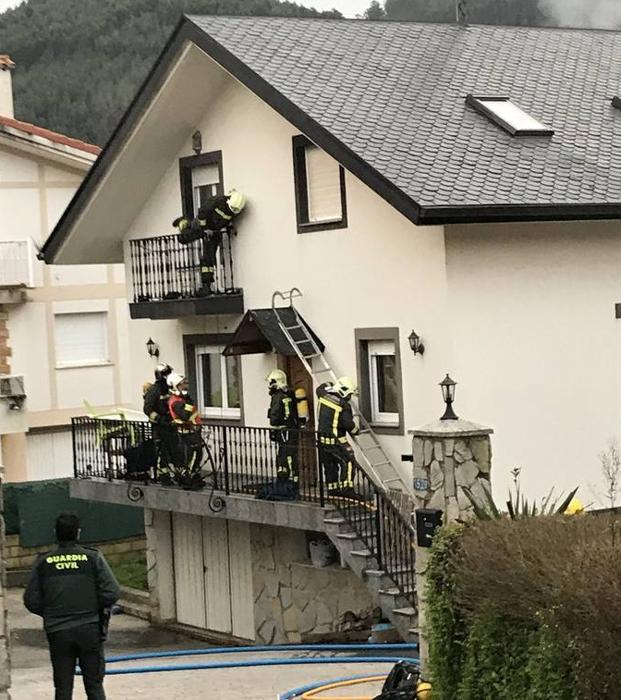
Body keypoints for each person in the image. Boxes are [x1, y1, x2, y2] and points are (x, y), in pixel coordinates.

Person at [23, 512, 120, 700]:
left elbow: (31, 600)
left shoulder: (44, 562)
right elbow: (112, 592)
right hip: (89, 628)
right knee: (94, 686)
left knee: (62, 688)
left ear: (55, 533)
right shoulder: (92, 558)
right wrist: (94, 607)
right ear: (78, 533)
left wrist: (50, 612)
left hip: (58, 631)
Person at [172, 190, 247, 296]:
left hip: (214, 233)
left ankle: (206, 286)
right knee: (183, 239)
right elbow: (202, 213)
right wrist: (205, 228)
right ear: (228, 200)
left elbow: (225, 221)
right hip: (201, 226)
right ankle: (183, 223)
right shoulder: (216, 201)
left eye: (235, 210)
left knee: (208, 258)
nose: (232, 211)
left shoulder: (233, 211)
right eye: (232, 208)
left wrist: (229, 227)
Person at [316, 376, 361, 498]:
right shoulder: (344, 405)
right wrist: (357, 430)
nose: (349, 397)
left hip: (321, 440)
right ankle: (347, 489)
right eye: (349, 394)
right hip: (337, 441)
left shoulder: (323, 395)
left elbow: (320, 387)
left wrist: (329, 382)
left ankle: (333, 489)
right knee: (349, 462)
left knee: (330, 466)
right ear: (344, 391)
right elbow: (348, 424)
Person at [167, 373, 205, 489]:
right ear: (175, 386)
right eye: (182, 384)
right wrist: (188, 403)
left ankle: (193, 476)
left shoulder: (181, 399)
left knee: (197, 454)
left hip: (192, 431)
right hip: (187, 433)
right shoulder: (176, 402)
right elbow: (184, 416)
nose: (185, 386)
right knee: (193, 455)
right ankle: (188, 477)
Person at [143, 362, 176, 485]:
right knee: (162, 451)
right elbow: (147, 409)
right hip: (159, 427)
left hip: (171, 425)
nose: (169, 376)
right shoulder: (154, 390)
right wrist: (160, 419)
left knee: (174, 449)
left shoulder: (170, 389)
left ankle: (177, 474)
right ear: (160, 375)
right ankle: (163, 475)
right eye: (166, 374)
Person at [266, 369, 300, 489]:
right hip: (292, 430)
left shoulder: (278, 397)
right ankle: (291, 478)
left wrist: (272, 430)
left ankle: (287, 480)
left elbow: (275, 415)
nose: (269, 386)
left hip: (284, 431)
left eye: (270, 383)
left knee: (285, 455)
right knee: (289, 455)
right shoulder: (289, 394)